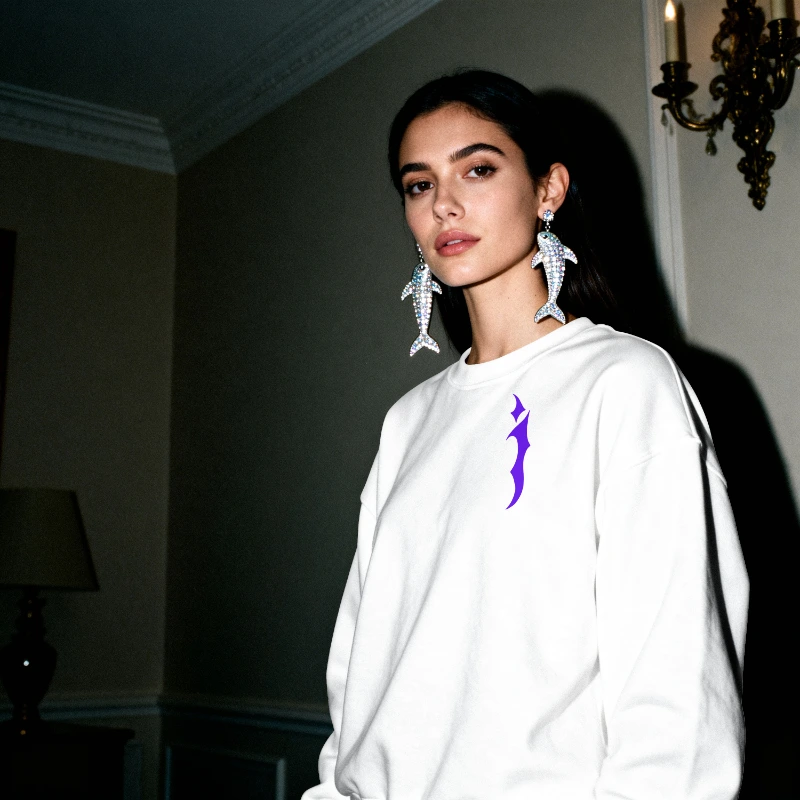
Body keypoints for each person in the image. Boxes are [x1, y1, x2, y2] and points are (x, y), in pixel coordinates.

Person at [302, 70, 748, 800]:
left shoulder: (624, 383)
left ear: (548, 189)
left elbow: (678, 691)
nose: (443, 203)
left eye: (477, 169)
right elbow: (361, 665)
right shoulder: (409, 420)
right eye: (419, 185)